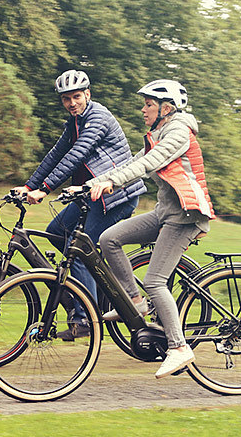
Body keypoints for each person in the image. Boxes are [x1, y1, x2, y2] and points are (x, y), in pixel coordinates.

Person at [86, 78, 215, 378]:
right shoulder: (159, 132)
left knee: (156, 281)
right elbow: (133, 161)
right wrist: (88, 185)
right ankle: (134, 300)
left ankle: (179, 347)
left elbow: (148, 164)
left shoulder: (178, 132)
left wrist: (111, 183)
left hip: (185, 216)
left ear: (166, 108)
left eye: (148, 104)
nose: (143, 109)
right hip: (165, 212)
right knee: (109, 239)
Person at [16, 70, 145, 341]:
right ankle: (94, 292)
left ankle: (86, 317)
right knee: (57, 231)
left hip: (115, 195)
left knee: (80, 248)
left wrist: (45, 189)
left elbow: (77, 156)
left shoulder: (97, 118)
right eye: (66, 99)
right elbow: (57, 154)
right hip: (91, 195)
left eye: (76, 96)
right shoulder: (74, 122)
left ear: (87, 94)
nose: (72, 103)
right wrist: (29, 186)